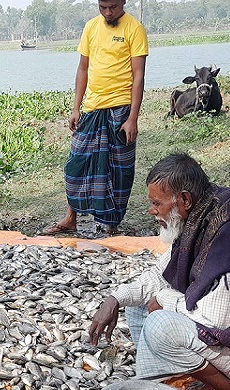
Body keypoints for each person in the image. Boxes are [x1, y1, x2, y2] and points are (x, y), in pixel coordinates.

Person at [89, 154, 230, 390]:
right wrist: (115, 298)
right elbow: (158, 274)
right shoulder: (200, 215)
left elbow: (215, 318)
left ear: (184, 200)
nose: (152, 211)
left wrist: (165, 300)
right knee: (138, 304)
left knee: (160, 323)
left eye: (156, 203)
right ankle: (170, 381)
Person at [43, 0, 148, 236]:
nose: (108, 12)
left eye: (113, 7)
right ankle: (71, 218)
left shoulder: (134, 29)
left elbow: (139, 75)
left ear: (123, 2)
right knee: (76, 165)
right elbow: (83, 68)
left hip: (121, 109)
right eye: (103, 7)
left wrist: (133, 118)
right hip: (92, 109)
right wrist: (76, 108)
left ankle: (111, 225)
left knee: (119, 170)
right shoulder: (90, 27)